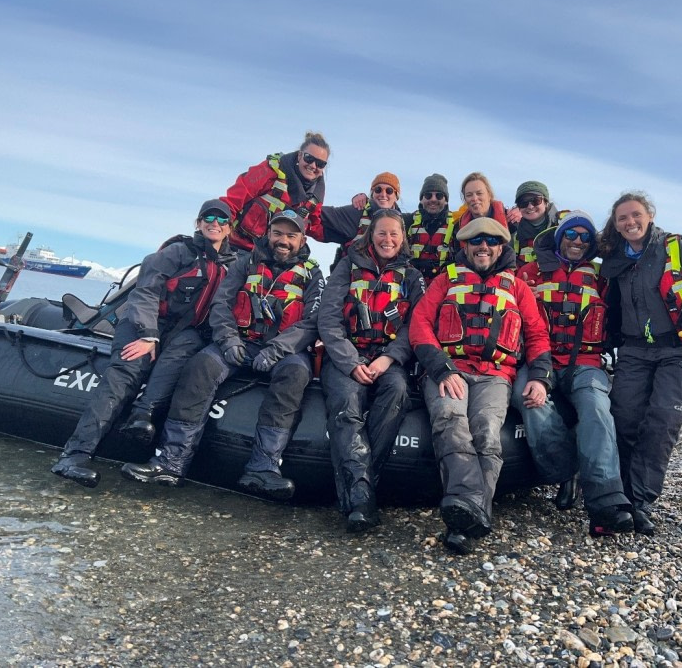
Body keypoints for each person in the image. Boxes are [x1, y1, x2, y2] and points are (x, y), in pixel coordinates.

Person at [120, 210, 323, 497]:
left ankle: (262, 468)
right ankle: (170, 461)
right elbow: (221, 304)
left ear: (302, 239)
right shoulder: (244, 263)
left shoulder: (313, 273)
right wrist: (228, 340)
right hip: (240, 342)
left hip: (283, 351)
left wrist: (277, 350)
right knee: (201, 365)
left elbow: (312, 322)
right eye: (277, 233)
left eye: (291, 235)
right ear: (268, 234)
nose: (283, 240)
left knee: (296, 373)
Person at [51, 200, 235, 487]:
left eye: (222, 220)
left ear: (229, 228)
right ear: (198, 223)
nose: (215, 223)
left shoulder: (230, 265)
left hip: (182, 332)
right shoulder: (177, 252)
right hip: (145, 325)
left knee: (183, 353)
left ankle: (143, 414)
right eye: (208, 218)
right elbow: (145, 293)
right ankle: (74, 454)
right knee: (123, 374)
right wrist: (148, 335)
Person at [410, 215, 553, 555]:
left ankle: (466, 516)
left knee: (488, 433)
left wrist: (540, 377)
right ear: (466, 245)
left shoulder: (517, 286)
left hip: (495, 375)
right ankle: (472, 510)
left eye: (491, 241)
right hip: (450, 369)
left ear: (502, 246)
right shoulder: (446, 280)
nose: (483, 246)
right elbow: (420, 325)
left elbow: (536, 334)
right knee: (449, 420)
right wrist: (442, 370)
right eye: (476, 241)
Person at [599, 191, 682, 536]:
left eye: (635, 215)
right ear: (615, 225)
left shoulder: (678, 249)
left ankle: (639, 502)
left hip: (680, 352)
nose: (630, 222)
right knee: (623, 420)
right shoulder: (613, 258)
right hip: (633, 352)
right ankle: (621, 497)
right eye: (622, 218)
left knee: (661, 424)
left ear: (650, 215)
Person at [514, 211, 634, 537]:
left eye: (584, 237)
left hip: (586, 362)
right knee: (529, 402)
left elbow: (624, 314)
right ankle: (565, 472)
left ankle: (606, 501)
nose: (577, 242)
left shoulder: (601, 278)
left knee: (597, 409)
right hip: (540, 361)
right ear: (559, 237)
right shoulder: (529, 273)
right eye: (571, 235)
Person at [317, 208, 424, 533]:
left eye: (394, 233)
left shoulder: (411, 276)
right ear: (371, 235)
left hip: (387, 358)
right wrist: (350, 362)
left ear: (403, 237)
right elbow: (329, 319)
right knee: (347, 407)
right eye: (382, 233)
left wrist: (389, 358)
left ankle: (360, 488)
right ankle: (363, 498)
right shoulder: (347, 268)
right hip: (348, 355)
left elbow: (414, 326)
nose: (388, 239)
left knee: (397, 391)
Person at [220, 131, 329, 252]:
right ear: (299, 156)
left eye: (320, 163)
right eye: (309, 158)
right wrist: (217, 231)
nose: (313, 166)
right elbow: (233, 201)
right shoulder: (271, 170)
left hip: (274, 256)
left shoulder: (316, 196)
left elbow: (314, 227)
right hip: (238, 247)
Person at [307, 172, 402, 267]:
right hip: (352, 277)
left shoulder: (405, 221)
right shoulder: (356, 212)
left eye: (389, 191)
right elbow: (319, 213)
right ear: (372, 193)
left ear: (396, 196)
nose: (383, 194)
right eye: (378, 190)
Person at [404, 173, 460, 284]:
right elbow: (384, 214)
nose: (433, 199)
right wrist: (363, 198)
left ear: (446, 200)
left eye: (439, 196)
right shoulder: (407, 221)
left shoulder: (457, 222)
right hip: (414, 284)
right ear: (421, 199)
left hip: (445, 283)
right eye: (428, 195)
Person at [506, 181, 561, 268]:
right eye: (523, 203)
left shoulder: (562, 227)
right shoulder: (513, 236)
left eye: (536, 201)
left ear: (546, 202)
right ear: (518, 207)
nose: (530, 206)